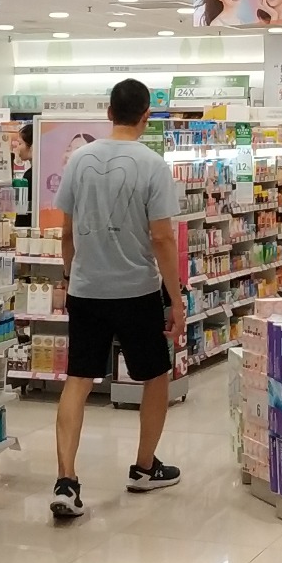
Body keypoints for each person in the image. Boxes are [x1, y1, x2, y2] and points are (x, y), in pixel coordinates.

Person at [50, 77, 186, 521]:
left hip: (86, 289)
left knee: (79, 379)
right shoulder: (153, 165)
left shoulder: (78, 160)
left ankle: (66, 481)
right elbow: (162, 238)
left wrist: (70, 274)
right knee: (155, 376)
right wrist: (176, 299)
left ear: (109, 113)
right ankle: (144, 468)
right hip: (136, 290)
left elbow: (66, 232)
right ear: (146, 116)